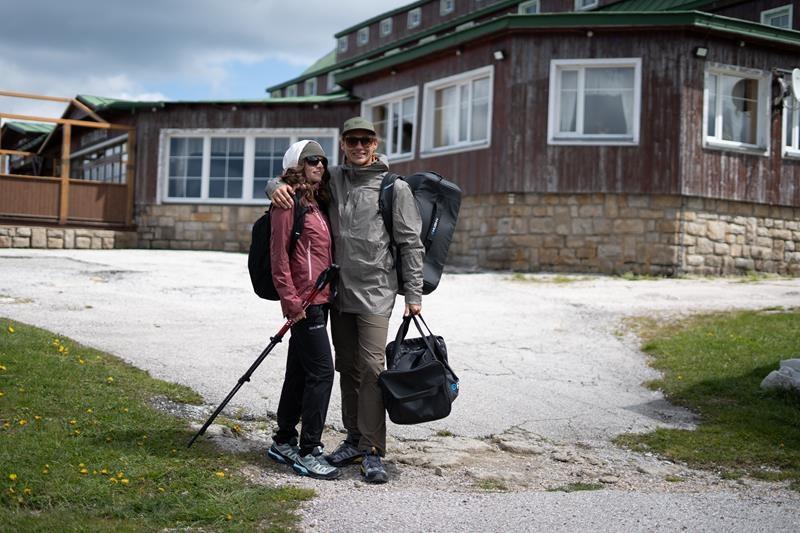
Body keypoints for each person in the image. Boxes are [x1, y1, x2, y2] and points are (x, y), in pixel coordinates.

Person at [267, 117, 424, 484]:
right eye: (352, 141)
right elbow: (295, 179)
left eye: (366, 141)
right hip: (338, 295)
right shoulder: (334, 178)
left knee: (371, 368)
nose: (359, 146)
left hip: (376, 293)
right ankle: (353, 439)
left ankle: (372, 450)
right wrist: (274, 186)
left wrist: (414, 293)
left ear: (375, 143)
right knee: (348, 368)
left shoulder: (394, 187)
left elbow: (411, 243)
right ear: (343, 145)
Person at [266, 140, 340, 480]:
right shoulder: (288, 203)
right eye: (312, 160)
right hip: (304, 302)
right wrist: (290, 300)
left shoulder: (316, 201)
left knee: (299, 371)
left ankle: (283, 440)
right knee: (323, 372)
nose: (320, 165)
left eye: (322, 159)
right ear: (297, 164)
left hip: (321, 299)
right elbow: (278, 255)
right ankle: (309, 451)